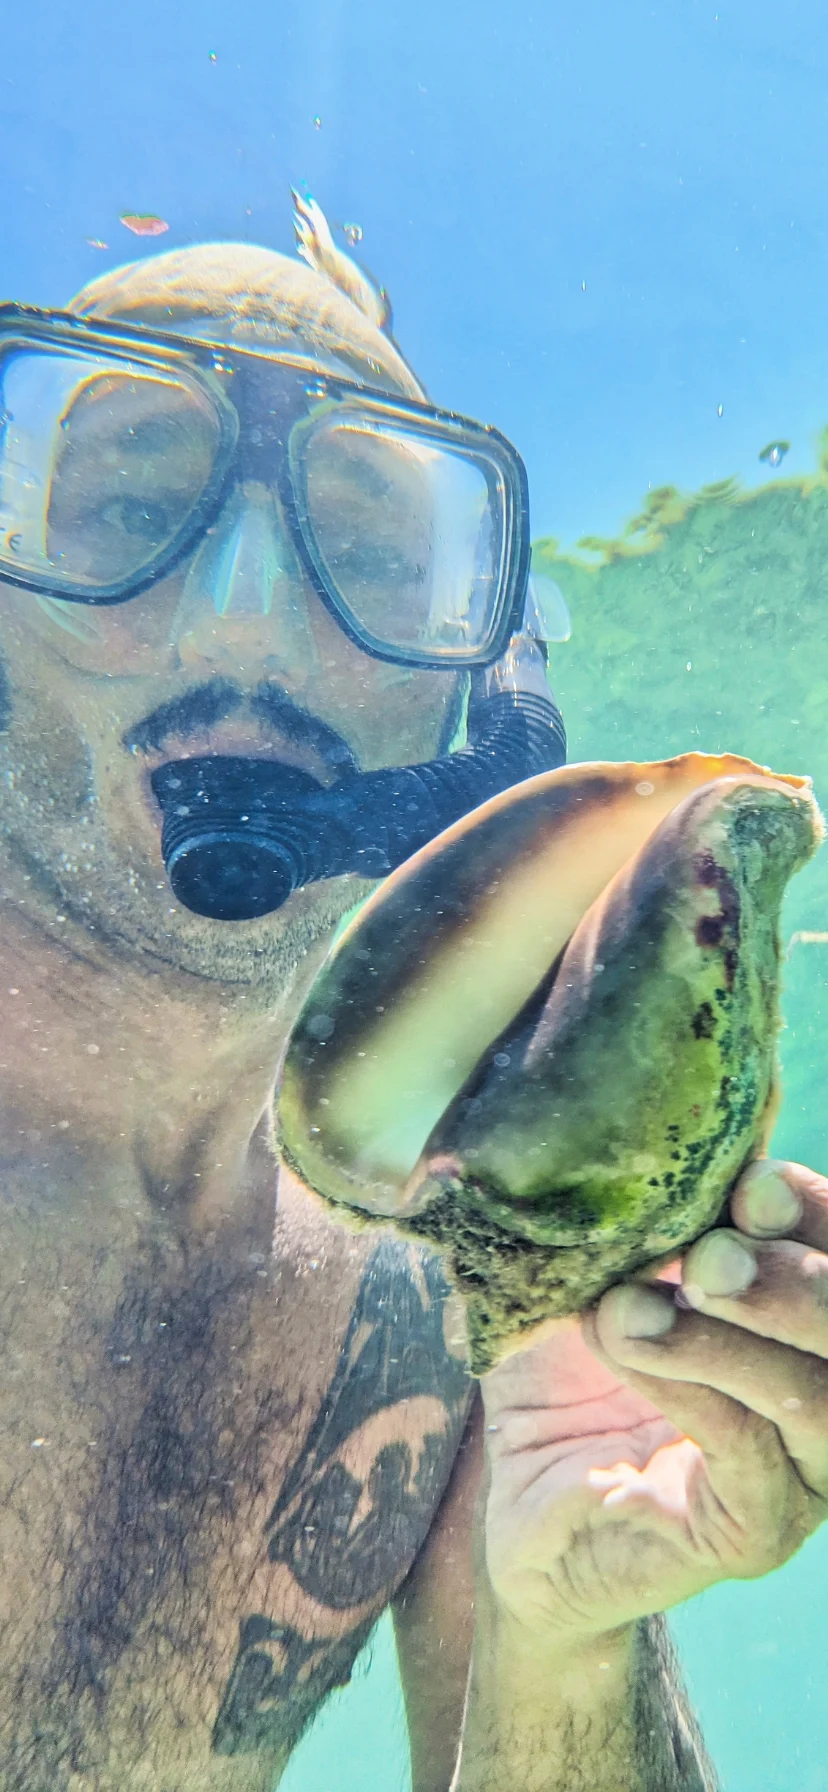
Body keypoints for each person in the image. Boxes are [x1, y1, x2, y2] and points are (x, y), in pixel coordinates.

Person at [0, 195, 825, 1792]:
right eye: (126, 514)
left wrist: (568, 1639)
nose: (243, 616)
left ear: (478, 684)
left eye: (371, 553)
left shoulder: (441, 1279)